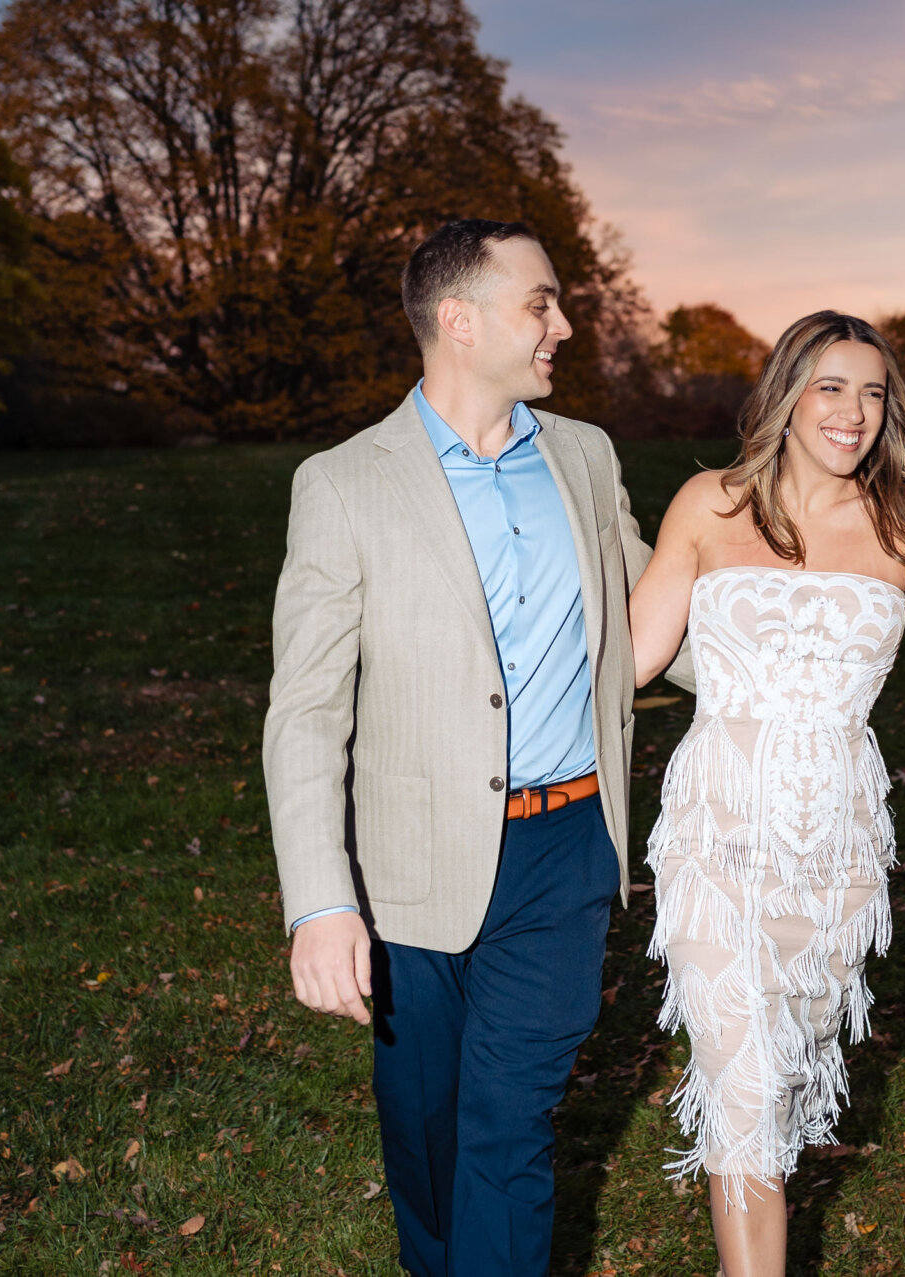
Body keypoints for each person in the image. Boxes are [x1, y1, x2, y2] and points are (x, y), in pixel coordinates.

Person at [263, 217, 687, 1277]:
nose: (566, 323)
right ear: (459, 321)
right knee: (430, 1132)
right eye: (541, 301)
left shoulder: (585, 457)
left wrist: (793, 647)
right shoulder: (345, 483)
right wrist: (321, 901)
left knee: (508, 1129)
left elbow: (652, 618)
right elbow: (306, 709)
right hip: (408, 867)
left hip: (565, 848)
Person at [628, 310, 905, 1277]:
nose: (854, 413)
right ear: (786, 395)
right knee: (740, 1089)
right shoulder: (709, 504)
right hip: (717, 836)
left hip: (838, 848)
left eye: (873, 393)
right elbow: (628, 659)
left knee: (780, 1085)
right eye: (831, 387)